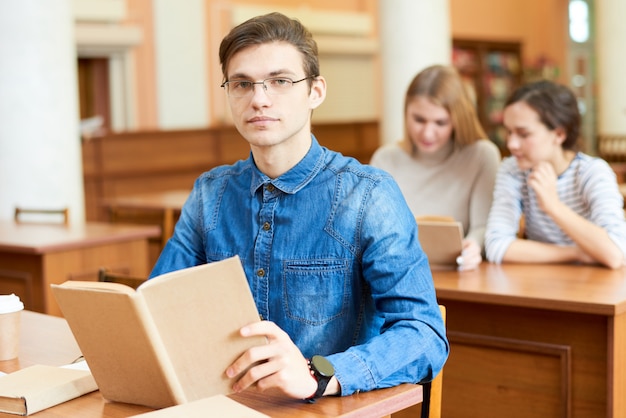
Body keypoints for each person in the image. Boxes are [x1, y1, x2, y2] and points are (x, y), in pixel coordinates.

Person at [149, 12, 448, 401]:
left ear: (315, 91)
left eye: (280, 81)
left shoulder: (370, 195)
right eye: (242, 84)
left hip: (321, 408)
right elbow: (155, 308)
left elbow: (424, 335)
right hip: (222, 403)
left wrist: (318, 376)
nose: (259, 98)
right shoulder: (210, 193)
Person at [370, 65, 501, 271]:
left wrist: (474, 246)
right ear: (406, 113)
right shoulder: (385, 159)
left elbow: (483, 226)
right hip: (396, 274)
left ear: (457, 120)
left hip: (460, 275)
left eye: (440, 123)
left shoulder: (482, 155)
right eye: (419, 120)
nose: (428, 133)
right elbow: (373, 229)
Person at [485, 79, 626, 269]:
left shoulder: (592, 173)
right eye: (509, 132)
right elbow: (497, 247)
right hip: (543, 284)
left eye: (523, 134)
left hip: (599, 290)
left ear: (559, 134)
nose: (511, 144)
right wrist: (577, 252)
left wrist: (553, 206)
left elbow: (615, 253)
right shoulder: (513, 169)